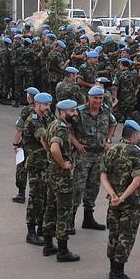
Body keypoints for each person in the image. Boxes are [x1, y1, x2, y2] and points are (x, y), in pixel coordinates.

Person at [100, 120, 140, 279]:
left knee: (114, 234)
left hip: (113, 202)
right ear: (134, 135)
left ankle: (113, 269)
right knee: (126, 236)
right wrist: (123, 197)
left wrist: (113, 195)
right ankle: (118, 273)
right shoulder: (136, 153)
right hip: (130, 203)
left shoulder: (112, 150)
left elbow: (103, 176)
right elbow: (136, 181)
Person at [70, 86, 117, 234]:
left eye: (100, 98)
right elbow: (67, 128)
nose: (97, 101)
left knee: (93, 187)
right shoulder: (79, 112)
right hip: (83, 155)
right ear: (88, 97)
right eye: (95, 98)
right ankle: (69, 220)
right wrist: (76, 143)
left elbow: (113, 123)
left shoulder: (106, 111)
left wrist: (108, 140)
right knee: (78, 187)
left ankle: (88, 218)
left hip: (99, 155)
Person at [42, 99, 81, 262]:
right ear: (63, 112)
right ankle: (63, 250)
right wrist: (63, 163)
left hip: (51, 173)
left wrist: (51, 158)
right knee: (63, 210)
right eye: (72, 111)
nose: (75, 114)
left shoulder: (53, 124)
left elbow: (44, 139)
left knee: (50, 207)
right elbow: (54, 147)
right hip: (61, 175)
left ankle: (48, 245)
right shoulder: (61, 128)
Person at [23, 92, 54, 246]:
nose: (48, 107)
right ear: (37, 104)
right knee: (35, 197)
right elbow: (44, 139)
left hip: (46, 164)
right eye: (46, 105)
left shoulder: (47, 117)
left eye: (49, 105)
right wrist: (55, 154)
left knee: (45, 196)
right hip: (36, 164)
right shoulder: (33, 120)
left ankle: (42, 227)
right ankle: (31, 231)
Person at [12, 87, 40, 203]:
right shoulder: (44, 110)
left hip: (26, 145)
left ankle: (21, 193)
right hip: (39, 146)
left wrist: (15, 143)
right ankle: (37, 194)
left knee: (22, 168)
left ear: (29, 97)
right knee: (37, 170)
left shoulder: (26, 110)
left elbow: (19, 129)